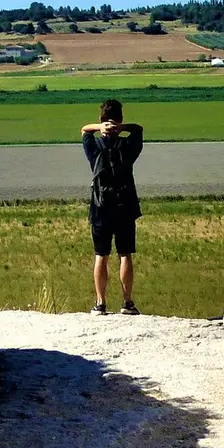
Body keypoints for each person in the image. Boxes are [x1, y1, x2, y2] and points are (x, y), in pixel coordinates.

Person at [81, 98, 144, 315]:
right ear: (119, 121)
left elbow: (84, 131)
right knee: (125, 254)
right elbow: (138, 130)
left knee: (101, 255)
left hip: (100, 206)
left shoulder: (94, 148)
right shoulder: (128, 146)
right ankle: (127, 303)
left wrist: (99, 127)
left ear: (102, 121)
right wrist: (122, 128)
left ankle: (100, 303)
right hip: (125, 204)